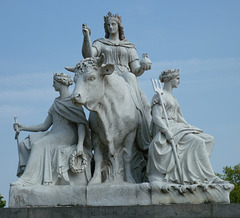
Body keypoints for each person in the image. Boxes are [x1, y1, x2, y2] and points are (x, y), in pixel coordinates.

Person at [82, 12, 152, 155]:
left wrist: (143, 68)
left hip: (126, 77)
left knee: (144, 102)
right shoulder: (100, 43)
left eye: (113, 24)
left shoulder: (129, 46)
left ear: (119, 26)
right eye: (108, 25)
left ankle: (141, 119)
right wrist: (87, 37)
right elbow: (88, 55)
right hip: (107, 76)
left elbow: (135, 70)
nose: (110, 27)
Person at [147, 69, 226, 187]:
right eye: (177, 78)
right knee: (197, 141)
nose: (179, 81)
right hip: (168, 129)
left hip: (178, 127)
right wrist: (166, 131)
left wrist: (191, 128)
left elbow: (180, 118)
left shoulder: (173, 98)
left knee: (208, 139)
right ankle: (210, 177)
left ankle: (196, 172)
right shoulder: (159, 96)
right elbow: (156, 118)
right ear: (169, 79)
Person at [12, 73, 91, 186]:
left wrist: (80, 144)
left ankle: (27, 180)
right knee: (25, 144)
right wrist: (23, 127)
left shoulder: (73, 101)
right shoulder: (56, 102)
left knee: (39, 144)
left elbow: (81, 124)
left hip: (68, 134)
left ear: (61, 83)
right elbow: (44, 126)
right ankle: (28, 175)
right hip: (55, 133)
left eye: (54, 82)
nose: (53, 85)